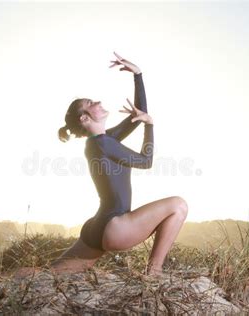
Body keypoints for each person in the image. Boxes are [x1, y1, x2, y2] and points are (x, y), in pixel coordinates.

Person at [17, 52, 188, 278]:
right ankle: (154, 272)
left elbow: (139, 115)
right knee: (179, 205)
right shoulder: (104, 143)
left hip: (96, 228)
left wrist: (137, 75)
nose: (97, 102)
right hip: (115, 227)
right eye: (91, 103)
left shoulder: (100, 142)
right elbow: (146, 161)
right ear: (85, 119)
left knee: (49, 274)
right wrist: (151, 125)